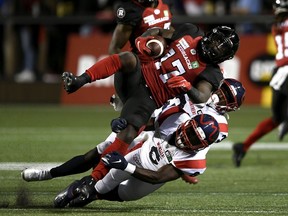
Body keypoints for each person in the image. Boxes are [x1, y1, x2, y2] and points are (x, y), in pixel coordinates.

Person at [61, 23, 239, 182]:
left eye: (222, 48)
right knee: (128, 58)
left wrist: (187, 87)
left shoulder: (212, 73)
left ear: (225, 56)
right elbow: (158, 31)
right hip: (139, 73)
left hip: (149, 99)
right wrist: (144, 40)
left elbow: (201, 96)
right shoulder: (191, 31)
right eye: (217, 41)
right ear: (210, 35)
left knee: (128, 133)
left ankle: (93, 180)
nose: (216, 47)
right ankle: (79, 80)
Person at [52, 78, 245, 207]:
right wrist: (131, 111)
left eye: (225, 97)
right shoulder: (198, 91)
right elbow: (163, 100)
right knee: (105, 155)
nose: (218, 96)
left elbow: (196, 139)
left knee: (125, 191)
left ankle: (91, 191)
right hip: (153, 131)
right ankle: (82, 183)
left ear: (231, 107)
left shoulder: (218, 125)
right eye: (221, 91)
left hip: (170, 149)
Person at [232, 0, 288, 167]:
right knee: (280, 118)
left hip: (279, 73)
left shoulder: (277, 25)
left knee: (276, 118)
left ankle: (243, 146)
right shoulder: (280, 25)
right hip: (285, 71)